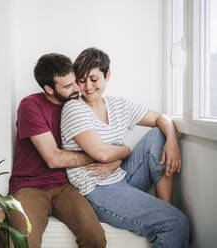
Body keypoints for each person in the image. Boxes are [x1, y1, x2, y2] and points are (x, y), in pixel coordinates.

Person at [61, 47, 189, 248]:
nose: (87, 87)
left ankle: (165, 207)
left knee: (158, 133)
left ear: (107, 75)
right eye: (82, 80)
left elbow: (160, 118)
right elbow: (102, 154)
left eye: (94, 79)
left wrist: (172, 141)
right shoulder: (73, 108)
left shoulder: (117, 105)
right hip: (96, 188)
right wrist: (124, 151)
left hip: (120, 176)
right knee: (176, 223)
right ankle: (166, 217)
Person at [8, 53, 119, 248]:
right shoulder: (31, 105)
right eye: (68, 86)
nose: (78, 88)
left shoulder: (80, 104)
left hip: (65, 186)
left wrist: (115, 157)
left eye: (76, 81)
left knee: (95, 239)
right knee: (23, 242)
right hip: (30, 186)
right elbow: (54, 159)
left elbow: (107, 143)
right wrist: (99, 156)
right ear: (49, 89)